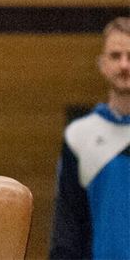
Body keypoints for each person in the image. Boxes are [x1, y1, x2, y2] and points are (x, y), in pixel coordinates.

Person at [49, 16, 130, 260]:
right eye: (115, 56)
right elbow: (67, 226)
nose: (124, 65)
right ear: (102, 64)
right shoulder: (79, 136)